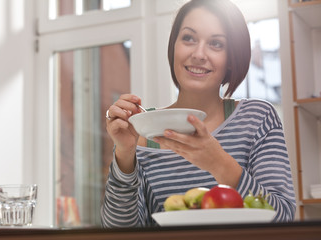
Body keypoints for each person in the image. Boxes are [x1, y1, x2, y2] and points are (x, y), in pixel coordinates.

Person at [101, 0, 296, 227]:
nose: (199, 54)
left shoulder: (256, 118)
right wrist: (125, 153)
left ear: (231, 59)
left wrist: (218, 163)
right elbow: (121, 231)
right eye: (189, 38)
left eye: (216, 43)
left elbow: (282, 218)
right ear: (174, 46)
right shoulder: (144, 130)